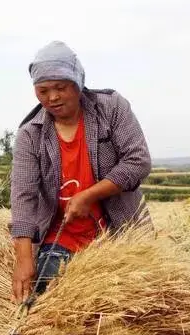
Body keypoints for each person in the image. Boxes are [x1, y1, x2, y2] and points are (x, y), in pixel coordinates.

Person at [9, 40, 153, 304]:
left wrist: (89, 196)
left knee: (129, 306)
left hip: (120, 230)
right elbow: (23, 196)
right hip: (64, 234)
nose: (52, 97)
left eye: (60, 88)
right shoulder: (31, 134)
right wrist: (24, 260)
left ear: (78, 82)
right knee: (48, 301)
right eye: (42, 90)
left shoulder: (111, 108)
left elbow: (138, 161)